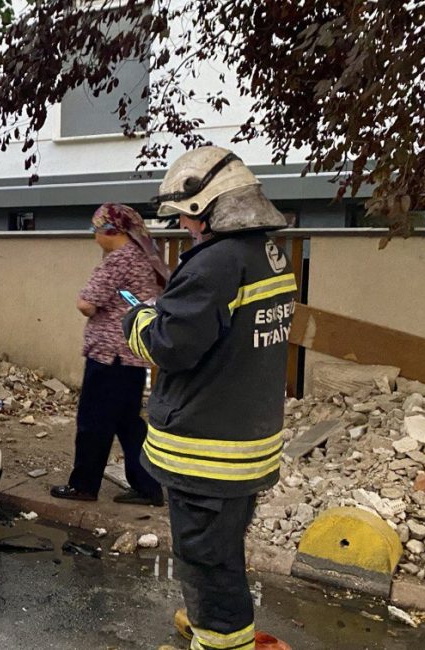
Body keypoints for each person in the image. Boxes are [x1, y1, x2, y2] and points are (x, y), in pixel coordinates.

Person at [122, 146, 294, 650]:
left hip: (207, 453)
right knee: (221, 549)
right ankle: (211, 620)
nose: (186, 228)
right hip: (246, 443)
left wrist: (140, 320)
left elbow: (170, 346)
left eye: (188, 218)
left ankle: (220, 639)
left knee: (205, 557)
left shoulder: (215, 264)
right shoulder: (265, 253)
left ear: (210, 208)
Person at [50, 203, 170, 506]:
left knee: (93, 423)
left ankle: (84, 486)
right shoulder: (144, 257)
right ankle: (148, 486)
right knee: (128, 424)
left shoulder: (118, 260)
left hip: (109, 355)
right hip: (132, 355)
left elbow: (86, 303)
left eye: (96, 229)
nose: (94, 236)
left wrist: (91, 302)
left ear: (111, 230)